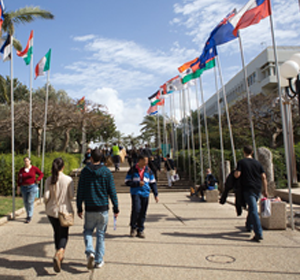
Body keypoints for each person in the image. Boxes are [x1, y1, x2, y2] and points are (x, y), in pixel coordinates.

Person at [77, 148, 119, 269]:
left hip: (89, 207)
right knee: (100, 234)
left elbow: (80, 191)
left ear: (90, 158)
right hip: (102, 208)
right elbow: (112, 191)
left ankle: (90, 250)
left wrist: (79, 206)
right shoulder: (106, 172)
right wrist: (116, 208)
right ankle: (98, 260)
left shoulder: (85, 171)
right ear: (102, 158)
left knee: (88, 231)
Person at [44, 158, 74, 273]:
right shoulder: (68, 179)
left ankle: (58, 253)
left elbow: (46, 196)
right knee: (64, 234)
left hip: (52, 211)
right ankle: (60, 252)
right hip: (64, 210)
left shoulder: (49, 180)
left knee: (56, 232)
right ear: (63, 167)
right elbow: (71, 196)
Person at [234, 145, 268, 242]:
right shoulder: (258, 163)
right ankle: (249, 225)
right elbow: (264, 177)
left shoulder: (241, 162)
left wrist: (234, 173)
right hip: (257, 188)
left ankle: (258, 233)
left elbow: (237, 175)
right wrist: (265, 190)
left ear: (244, 152)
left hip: (248, 188)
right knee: (252, 207)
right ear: (252, 152)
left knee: (253, 209)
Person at [125, 155, 159, 238]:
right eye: (145, 160)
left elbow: (153, 183)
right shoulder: (132, 170)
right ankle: (133, 227)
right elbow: (127, 182)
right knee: (136, 209)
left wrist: (155, 194)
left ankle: (140, 229)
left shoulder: (148, 170)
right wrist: (137, 184)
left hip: (145, 193)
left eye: (147, 161)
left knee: (143, 211)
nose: (147, 162)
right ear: (140, 160)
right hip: (135, 192)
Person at [17, 157, 44, 223]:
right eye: (25, 161)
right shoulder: (22, 170)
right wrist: (18, 188)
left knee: (30, 201)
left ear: (30, 161)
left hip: (32, 187)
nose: (26, 162)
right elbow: (19, 179)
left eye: (27, 161)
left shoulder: (34, 168)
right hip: (24, 187)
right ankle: (28, 213)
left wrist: (38, 179)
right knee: (25, 202)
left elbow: (41, 174)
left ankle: (29, 216)